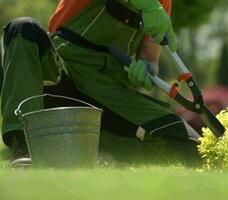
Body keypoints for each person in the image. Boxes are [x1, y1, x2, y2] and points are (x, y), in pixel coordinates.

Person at [1, 0, 200, 167]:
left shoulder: (162, 2)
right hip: (59, 72)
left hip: (108, 92)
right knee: (23, 28)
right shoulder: (153, 6)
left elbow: (149, 57)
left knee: (189, 146)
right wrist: (148, 5)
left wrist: (145, 70)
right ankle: (23, 145)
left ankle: (98, 151)